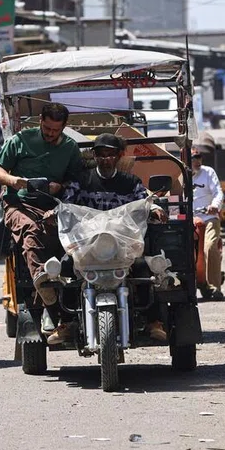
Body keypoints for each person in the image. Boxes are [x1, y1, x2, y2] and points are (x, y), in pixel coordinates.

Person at [59, 133, 168, 343]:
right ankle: (66, 322)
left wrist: (154, 209)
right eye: (101, 154)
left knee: (146, 269)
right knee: (64, 267)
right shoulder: (80, 181)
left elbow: (143, 202)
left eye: (110, 154)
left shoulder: (131, 182)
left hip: (123, 248)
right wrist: (55, 213)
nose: (105, 159)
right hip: (87, 247)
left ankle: (153, 321)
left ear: (119, 156)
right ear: (94, 155)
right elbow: (66, 205)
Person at [0, 103, 83, 342]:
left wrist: (59, 187)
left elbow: (76, 181)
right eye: (47, 128)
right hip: (19, 205)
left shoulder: (71, 149)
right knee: (31, 230)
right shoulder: (21, 140)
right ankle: (47, 292)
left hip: (54, 205)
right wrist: (15, 181)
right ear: (40, 121)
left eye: (55, 130)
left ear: (63, 127)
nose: (50, 133)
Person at [191, 147, 225, 301]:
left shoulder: (208, 173)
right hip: (189, 220)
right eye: (193, 158)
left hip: (208, 218)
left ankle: (215, 287)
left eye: (199, 157)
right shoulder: (180, 175)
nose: (197, 160)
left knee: (210, 248)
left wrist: (215, 206)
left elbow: (218, 192)